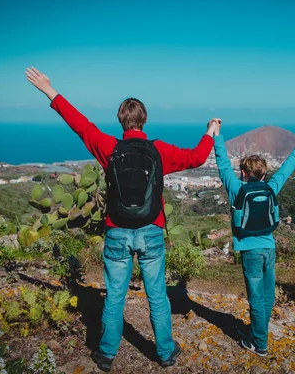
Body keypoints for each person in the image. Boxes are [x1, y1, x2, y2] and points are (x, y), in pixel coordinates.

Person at [25, 67, 220, 371]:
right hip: (151, 231)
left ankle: (106, 354)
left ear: (121, 121)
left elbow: (80, 125)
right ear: (144, 120)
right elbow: (196, 157)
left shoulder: (109, 148)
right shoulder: (159, 151)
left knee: (114, 297)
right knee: (157, 295)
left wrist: (49, 90)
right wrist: (210, 132)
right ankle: (166, 352)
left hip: (117, 232)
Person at [212, 119, 295, 357]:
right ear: (265, 172)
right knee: (267, 297)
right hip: (269, 247)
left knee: (256, 299)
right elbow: (286, 171)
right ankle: (259, 332)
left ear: (244, 173)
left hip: (250, 251)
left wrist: (217, 135)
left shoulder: (237, 189)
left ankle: (259, 344)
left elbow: (222, 164)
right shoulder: (270, 187)